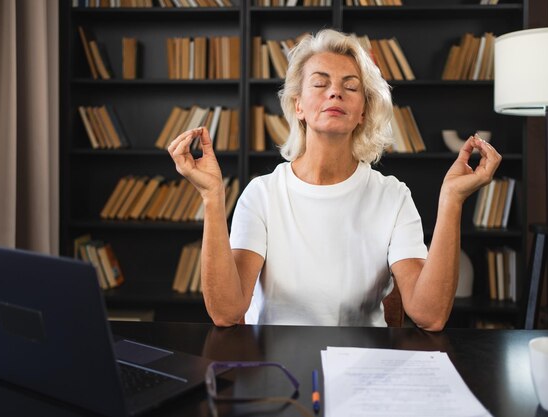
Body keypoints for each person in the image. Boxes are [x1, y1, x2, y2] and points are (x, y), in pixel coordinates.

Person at [167, 29, 501, 330]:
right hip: (274, 374)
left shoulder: (393, 196)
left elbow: (430, 316)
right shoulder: (262, 194)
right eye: (320, 82)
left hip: (362, 370)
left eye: (350, 86)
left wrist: (452, 200)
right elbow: (226, 312)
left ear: (363, 113)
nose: (335, 93)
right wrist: (211, 196)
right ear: (298, 105)